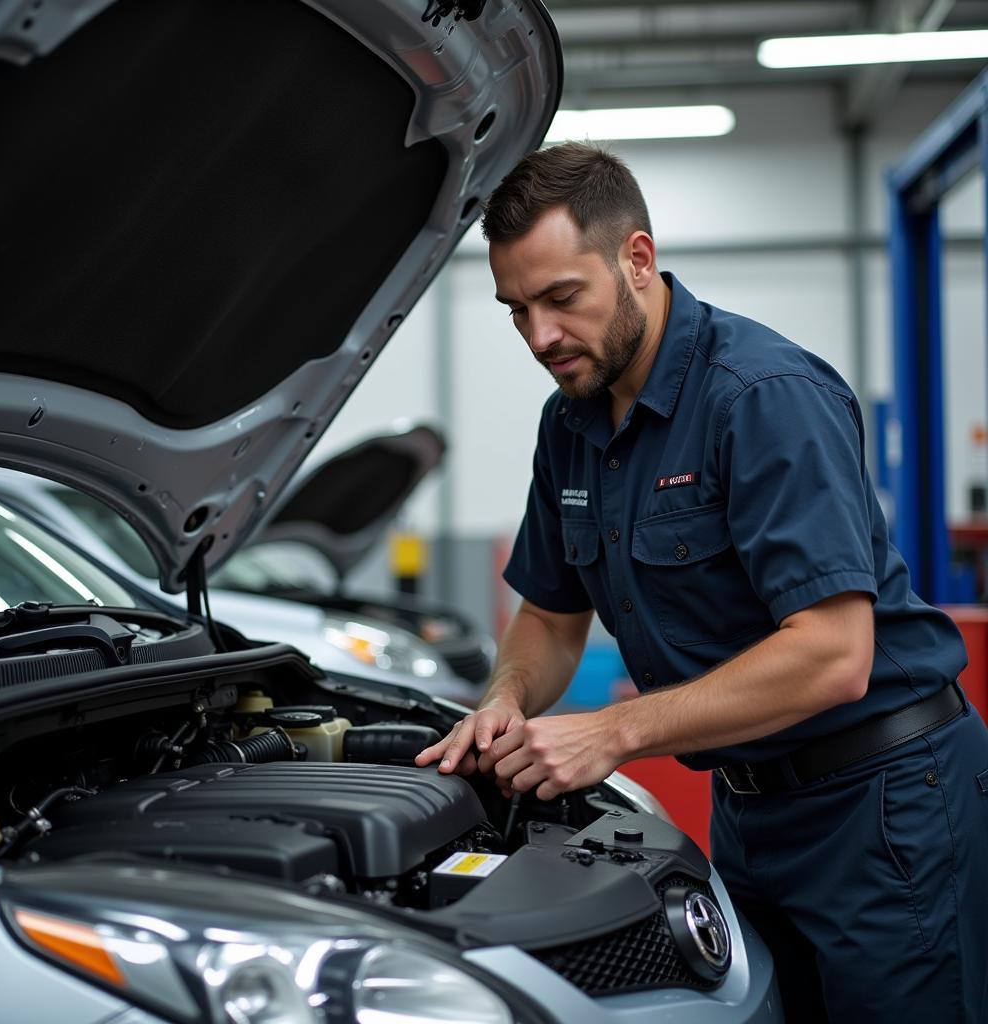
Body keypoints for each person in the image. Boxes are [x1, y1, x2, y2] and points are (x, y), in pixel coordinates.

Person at [415, 142, 988, 1022]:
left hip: (884, 807)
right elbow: (550, 616)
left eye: (562, 298)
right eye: (516, 310)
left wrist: (610, 732)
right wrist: (506, 698)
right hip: (750, 811)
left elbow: (834, 656)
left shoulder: (760, 396)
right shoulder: (569, 424)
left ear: (637, 260)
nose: (540, 337)